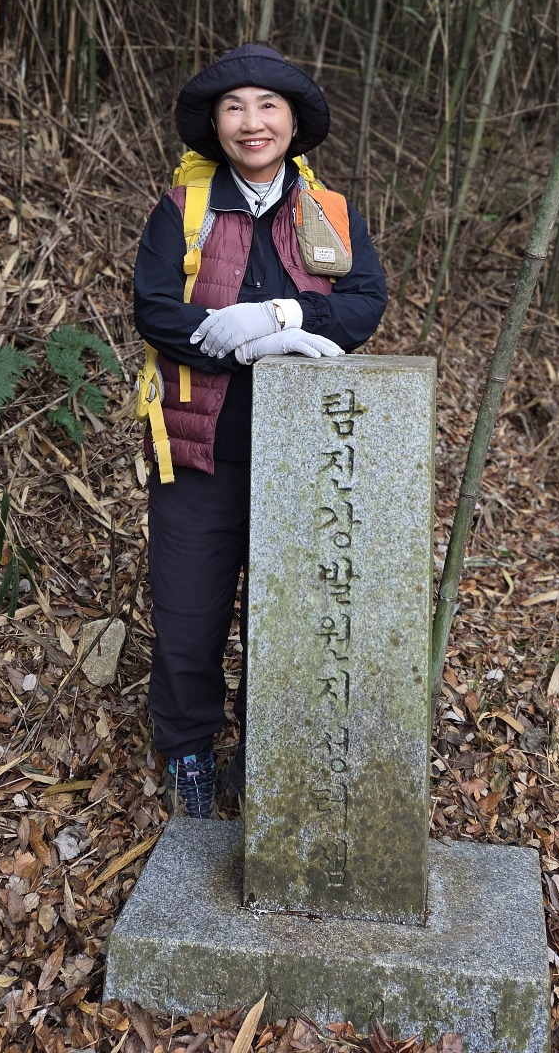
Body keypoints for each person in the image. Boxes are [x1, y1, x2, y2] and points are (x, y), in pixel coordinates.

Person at [133, 44, 388, 817]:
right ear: (216, 124)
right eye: (235, 107)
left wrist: (281, 316)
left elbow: (364, 303)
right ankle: (188, 752)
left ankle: (268, 752)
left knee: (288, 612)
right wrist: (230, 339)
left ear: (292, 122)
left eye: (267, 106)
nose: (252, 122)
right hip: (197, 449)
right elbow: (154, 309)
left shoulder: (328, 211)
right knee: (188, 613)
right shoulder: (182, 209)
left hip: (303, 454)